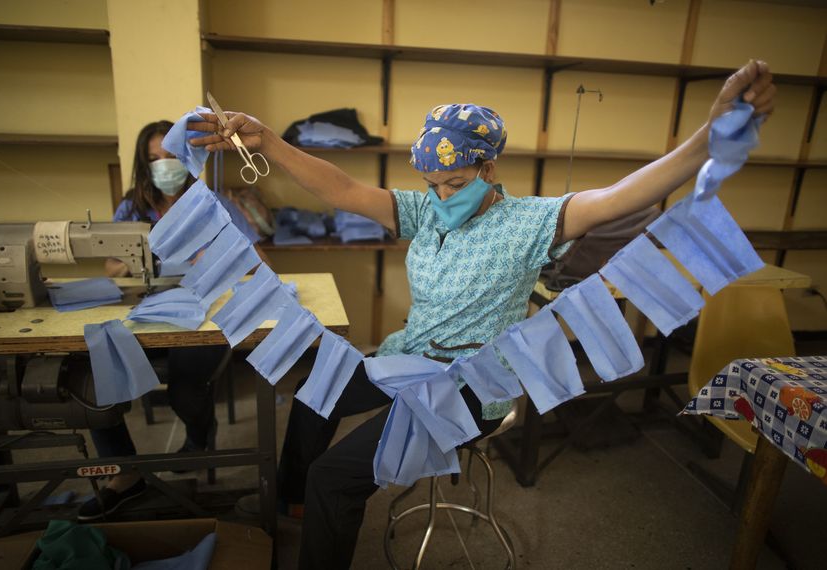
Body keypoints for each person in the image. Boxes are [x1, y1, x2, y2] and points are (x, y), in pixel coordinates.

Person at [189, 60, 775, 568]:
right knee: (314, 392)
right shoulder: (425, 212)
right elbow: (342, 190)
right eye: (431, 184)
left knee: (334, 477)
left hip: (471, 384)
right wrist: (266, 140)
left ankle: (313, 507)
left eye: (454, 182)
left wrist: (710, 134)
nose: (442, 196)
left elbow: (625, 194)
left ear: (488, 169)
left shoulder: (530, 224)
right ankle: (292, 502)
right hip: (408, 358)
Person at [78, 120, 269, 521]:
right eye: (153, 159)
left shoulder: (213, 204)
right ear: (142, 164)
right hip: (149, 310)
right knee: (95, 377)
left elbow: (261, 263)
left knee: (185, 386)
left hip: (204, 315)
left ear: (188, 159)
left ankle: (200, 438)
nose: (163, 166)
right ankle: (124, 473)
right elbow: (112, 265)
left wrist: (221, 256)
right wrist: (137, 255)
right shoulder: (132, 207)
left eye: (170, 157)